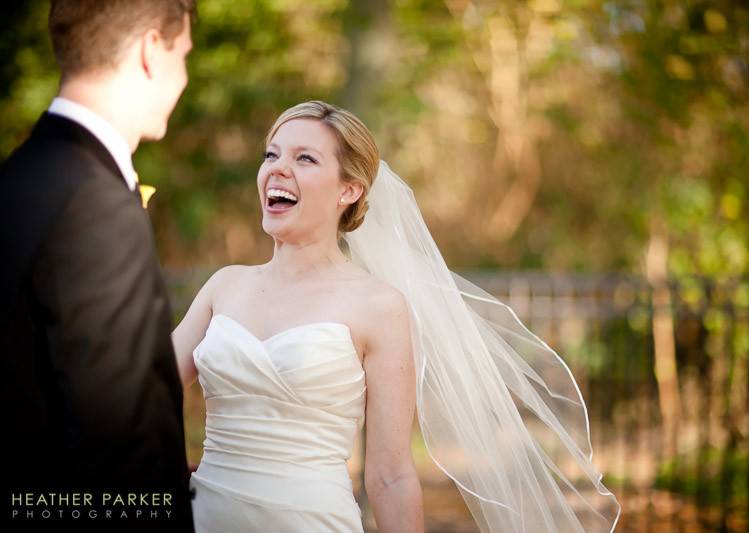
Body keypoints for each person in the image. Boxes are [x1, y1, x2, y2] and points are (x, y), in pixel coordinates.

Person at [174, 100, 620, 532]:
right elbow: (142, 393)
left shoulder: (378, 306)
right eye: (272, 154)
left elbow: (390, 474)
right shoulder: (224, 285)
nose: (278, 168)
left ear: (348, 191)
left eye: (305, 158)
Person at [0, 1, 196, 531]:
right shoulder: (95, 203)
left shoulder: (19, 179)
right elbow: (118, 445)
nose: (183, 79)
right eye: (184, 56)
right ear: (152, 50)